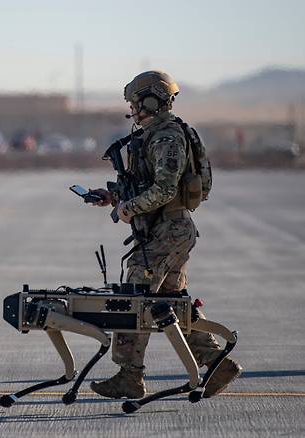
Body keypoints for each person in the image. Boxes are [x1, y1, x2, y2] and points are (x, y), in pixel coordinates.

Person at [89, 70, 242, 399]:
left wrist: (127, 209)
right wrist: (114, 197)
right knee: (170, 306)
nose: (133, 110)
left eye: (135, 103)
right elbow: (151, 188)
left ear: (151, 100)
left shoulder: (166, 137)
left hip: (167, 231)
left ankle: (130, 376)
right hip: (167, 230)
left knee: (135, 299)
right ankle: (217, 364)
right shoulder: (155, 135)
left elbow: (164, 189)